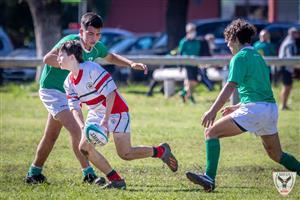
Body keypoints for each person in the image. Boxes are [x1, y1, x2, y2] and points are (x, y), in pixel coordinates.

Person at [25, 12, 148, 184]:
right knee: (78, 130)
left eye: (98, 34)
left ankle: (34, 172)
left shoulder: (96, 47)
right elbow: (47, 58)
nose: (94, 38)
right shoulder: (71, 43)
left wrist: (130, 63)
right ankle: (89, 174)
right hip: (52, 90)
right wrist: (69, 65)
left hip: (70, 92)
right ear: (81, 32)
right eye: (90, 33)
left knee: (51, 135)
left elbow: (111, 57)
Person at [186, 19, 300, 192]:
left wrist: (212, 111)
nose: (228, 46)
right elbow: (257, 90)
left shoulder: (239, 58)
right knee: (277, 155)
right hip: (270, 109)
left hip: (255, 110)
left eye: (228, 42)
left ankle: (209, 178)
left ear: (235, 39)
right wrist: (238, 106)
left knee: (211, 132)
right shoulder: (258, 57)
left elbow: (230, 86)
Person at [58, 40, 178, 189]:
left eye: (61, 55)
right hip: (95, 112)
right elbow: (75, 108)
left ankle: (160, 151)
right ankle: (116, 180)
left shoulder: (91, 69)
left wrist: (105, 121)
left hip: (115, 110)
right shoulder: (68, 82)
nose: (58, 59)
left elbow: (110, 94)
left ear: (71, 57)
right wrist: (83, 127)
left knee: (125, 153)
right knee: (83, 147)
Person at [178, 23, 214, 104]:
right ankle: (191, 98)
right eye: (191, 31)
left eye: (194, 31)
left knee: (194, 81)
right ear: (187, 32)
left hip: (195, 64)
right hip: (187, 64)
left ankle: (183, 93)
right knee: (190, 81)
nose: (193, 33)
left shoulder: (197, 41)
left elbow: (200, 53)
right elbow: (180, 53)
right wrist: (180, 66)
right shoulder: (184, 42)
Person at [278, 27, 299, 110]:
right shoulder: (289, 43)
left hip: (287, 68)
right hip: (285, 68)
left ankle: (284, 104)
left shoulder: (290, 41)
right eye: (296, 32)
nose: (298, 34)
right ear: (293, 33)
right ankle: (283, 105)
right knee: (287, 87)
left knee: (288, 86)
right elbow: (289, 57)